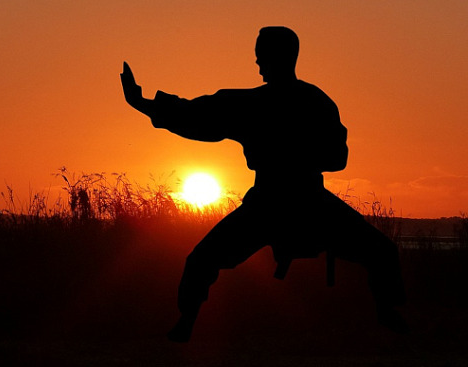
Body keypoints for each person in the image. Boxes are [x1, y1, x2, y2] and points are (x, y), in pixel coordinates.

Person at [121, 26, 407, 342]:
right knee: (201, 260)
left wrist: (143, 103)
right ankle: (186, 322)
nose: (256, 62)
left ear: (277, 56)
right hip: (282, 201)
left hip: (297, 201)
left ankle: (388, 312)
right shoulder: (295, 101)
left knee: (382, 251)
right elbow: (195, 113)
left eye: (261, 55)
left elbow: (337, 158)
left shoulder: (286, 103)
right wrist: (143, 103)